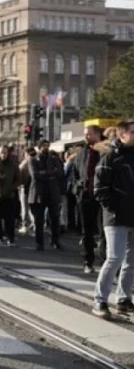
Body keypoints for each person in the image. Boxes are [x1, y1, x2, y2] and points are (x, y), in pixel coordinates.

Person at [92, 120, 134, 319]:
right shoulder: (110, 157)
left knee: (131, 261)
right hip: (116, 216)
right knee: (115, 257)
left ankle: (124, 299)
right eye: (133, 132)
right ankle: (100, 299)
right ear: (122, 134)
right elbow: (99, 189)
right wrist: (113, 206)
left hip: (132, 215)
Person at [72, 125, 103, 274]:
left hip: (101, 198)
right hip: (84, 197)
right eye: (85, 135)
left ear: (97, 134)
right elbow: (75, 174)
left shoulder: (104, 151)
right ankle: (88, 261)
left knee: (103, 231)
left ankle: (105, 261)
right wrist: (78, 188)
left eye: (89, 135)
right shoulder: (81, 154)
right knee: (87, 231)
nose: (86, 137)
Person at [28, 139, 65, 250]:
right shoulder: (33, 160)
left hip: (52, 192)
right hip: (39, 193)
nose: (46, 148)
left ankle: (55, 240)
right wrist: (50, 174)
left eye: (47, 146)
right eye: (43, 146)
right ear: (39, 147)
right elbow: (35, 175)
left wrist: (45, 173)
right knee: (39, 220)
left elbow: (60, 172)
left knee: (55, 218)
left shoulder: (54, 159)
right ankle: (39, 243)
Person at [0, 145, 22, 246]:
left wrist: (11, 187)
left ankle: (10, 239)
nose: (3, 154)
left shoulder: (13, 165)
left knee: (9, 218)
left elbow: (18, 179)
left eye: (5, 152)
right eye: (2, 152)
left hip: (9, 195)